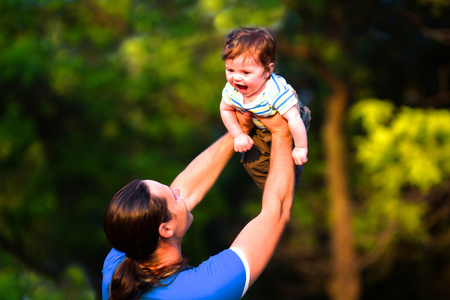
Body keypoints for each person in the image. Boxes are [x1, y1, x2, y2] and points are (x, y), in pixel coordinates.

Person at [102, 112, 295, 300]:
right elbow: (276, 212)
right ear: (166, 229)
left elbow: (184, 192)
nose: (177, 192)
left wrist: (240, 129)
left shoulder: (117, 268)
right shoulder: (205, 290)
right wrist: (281, 131)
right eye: (172, 196)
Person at [220, 26, 311, 189]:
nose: (236, 77)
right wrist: (238, 135)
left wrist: (300, 147)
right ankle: (271, 190)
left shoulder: (274, 92)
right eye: (230, 70)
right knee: (252, 163)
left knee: (289, 160)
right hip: (259, 128)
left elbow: (294, 119)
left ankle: (289, 185)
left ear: (267, 70)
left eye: (246, 73)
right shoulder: (231, 89)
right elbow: (225, 109)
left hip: (292, 123)